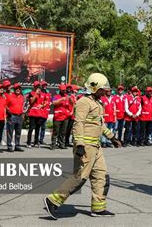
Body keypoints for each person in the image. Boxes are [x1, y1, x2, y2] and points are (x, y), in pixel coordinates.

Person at [44, 73, 122, 219]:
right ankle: (52, 201)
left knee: (101, 176)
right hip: (85, 147)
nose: (105, 92)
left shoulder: (97, 103)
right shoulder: (83, 102)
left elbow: (100, 124)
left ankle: (98, 208)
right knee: (79, 177)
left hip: (96, 147)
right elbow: (78, 123)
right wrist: (79, 145)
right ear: (94, 88)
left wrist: (112, 138)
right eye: (102, 89)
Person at [51, 84, 72, 150]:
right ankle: (53, 144)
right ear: (60, 90)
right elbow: (53, 103)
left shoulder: (67, 96)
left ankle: (61, 144)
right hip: (57, 117)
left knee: (63, 132)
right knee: (56, 131)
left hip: (65, 117)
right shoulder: (56, 96)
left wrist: (70, 99)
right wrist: (61, 99)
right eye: (62, 90)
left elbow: (72, 103)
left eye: (65, 90)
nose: (64, 91)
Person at [5, 83, 25, 152]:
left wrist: (22, 114)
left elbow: (23, 107)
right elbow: (6, 105)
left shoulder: (22, 97)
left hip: (19, 116)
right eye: (16, 88)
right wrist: (8, 112)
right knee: (10, 132)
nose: (18, 89)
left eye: (19, 88)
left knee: (18, 132)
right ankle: (9, 146)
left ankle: (17, 145)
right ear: (14, 89)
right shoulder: (10, 96)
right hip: (12, 116)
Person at [26, 81, 45, 148]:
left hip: (39, 114)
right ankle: (28, 142)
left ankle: (36, 142)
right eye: (37, 86)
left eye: (39, 86)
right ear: (34, 87)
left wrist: (42, 106)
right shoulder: (31, 93)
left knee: (38, 128)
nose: (38, 87)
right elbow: (31, 102)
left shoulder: (42, 94)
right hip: (33, 113)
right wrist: (35, 94)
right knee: (31, 128)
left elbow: (45, 102)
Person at [39, 81, 51, 145]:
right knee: (38, 127)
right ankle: (36, 140)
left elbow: (49, 102)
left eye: (46, 85)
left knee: (43, 127)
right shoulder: (39, 93)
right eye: (43, 85)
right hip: (39, 113)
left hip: (45, 113)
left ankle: (41, 140)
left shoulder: (48, 94)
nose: (45, 86)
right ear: (41, 86)